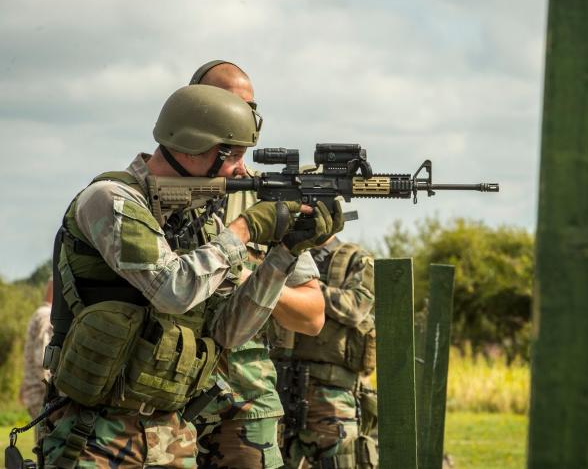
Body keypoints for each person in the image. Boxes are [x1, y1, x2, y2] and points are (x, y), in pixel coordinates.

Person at [40, 84, 343, 468]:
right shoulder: (110, 199)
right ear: (189, 146)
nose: (241, 169)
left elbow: (228, 332)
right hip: (92, 435)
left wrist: (285, 254)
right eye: (230, 154)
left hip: (172, 438)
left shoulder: (201, 223)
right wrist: (246, 229)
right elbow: (172, 289)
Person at [189, 61, 327, 469]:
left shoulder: (264, 200)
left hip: (242, 406)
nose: (241, 116)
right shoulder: (155, 189)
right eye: (229, 103)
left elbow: (312, 315)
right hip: (158, 399)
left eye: (250, 107)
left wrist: (252, 278)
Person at [271, 234, 379, 469]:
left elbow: (356, 308)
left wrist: (307, 290)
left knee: (339, 461)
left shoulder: (356, 259)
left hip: (332, 393)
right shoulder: (283, 255)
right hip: (281, 385)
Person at [20, 278, 54, 420]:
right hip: (42, 395)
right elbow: (43, 360)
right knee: (47, 439)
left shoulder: (40, 313)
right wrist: (51, 392)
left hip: (35, 392)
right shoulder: (47, 315)